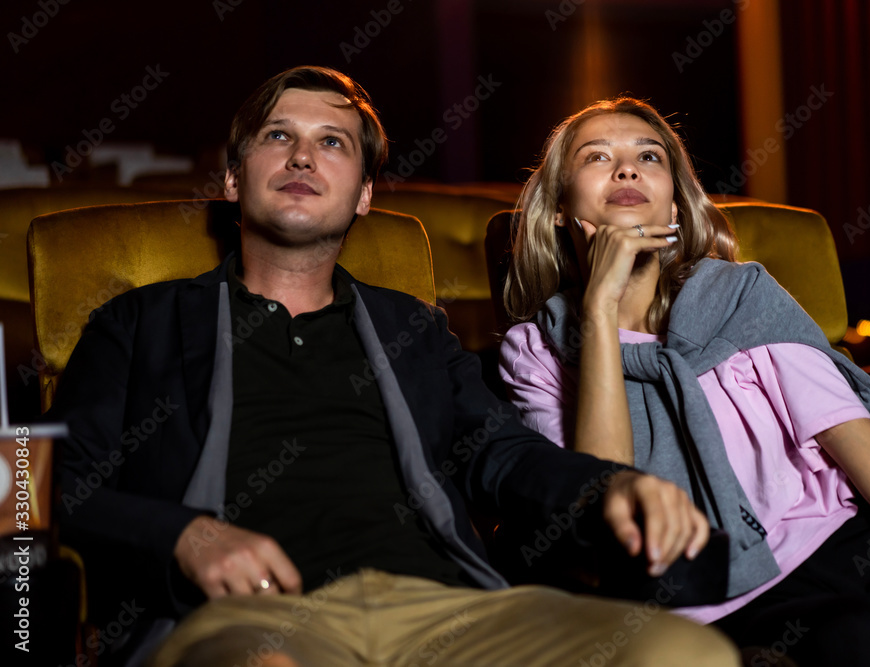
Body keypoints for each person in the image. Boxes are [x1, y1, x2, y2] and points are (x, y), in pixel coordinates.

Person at [48, 68, 741, 667]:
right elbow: (38, 488)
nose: (302, 157)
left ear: (365, 195)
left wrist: (609, 487)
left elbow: (505, 453)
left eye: (332, 143)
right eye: (277, 136)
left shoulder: (411, 330)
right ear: (233, 178)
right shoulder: (141, 323)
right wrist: (182, 535)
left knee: (685, 651)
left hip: (443, 608)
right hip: (250, 619)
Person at [500, 96, 870, 666]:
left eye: (649, 156)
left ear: (676, 208)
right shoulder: (537, 349)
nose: (627, 168)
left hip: (851, 548)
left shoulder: (742, 298)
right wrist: (598, 307)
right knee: (851, 640)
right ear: (561, 207)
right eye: (597, 157)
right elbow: (606, 503)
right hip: (700, 599)